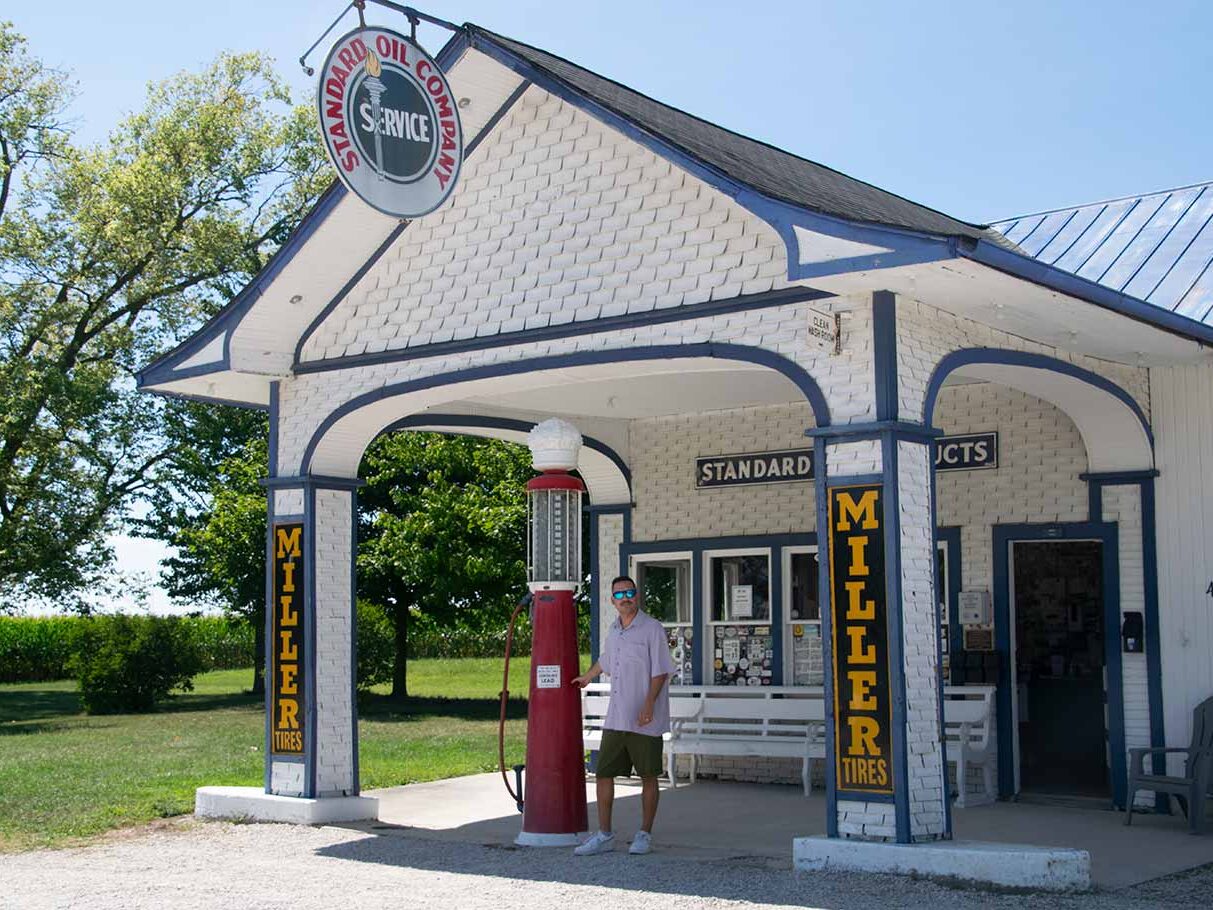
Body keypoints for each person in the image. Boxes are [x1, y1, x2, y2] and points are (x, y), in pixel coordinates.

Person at [570, 574, 674, 855]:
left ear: (637, 595)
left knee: (649, 775)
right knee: (604, 773)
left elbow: (662, 670)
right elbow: (606, 659)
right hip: (617, 716)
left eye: (629, 592)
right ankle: (604, 834)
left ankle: (644, 834)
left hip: (644, 718)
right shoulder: (614, 630)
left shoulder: (652, 628)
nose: (625, 598)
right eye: (619, 594)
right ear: (612, 600)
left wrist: (649, 704)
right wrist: (587, 677)